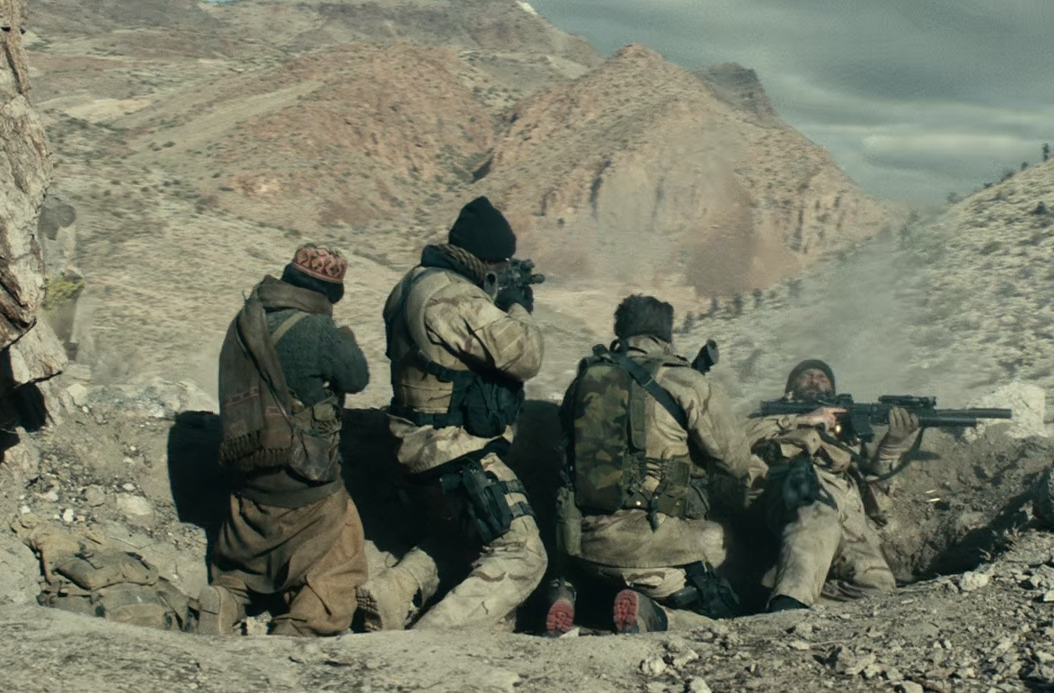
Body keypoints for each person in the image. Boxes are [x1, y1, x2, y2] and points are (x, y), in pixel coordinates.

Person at [356, 196, 546, 631]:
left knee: (459, 536)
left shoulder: (413, 283)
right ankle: (429, 642)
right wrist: (517, 305)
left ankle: (393, 592)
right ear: (488, 259)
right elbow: (526, 355)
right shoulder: (452, 295)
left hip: (415, 442)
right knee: (523, 553)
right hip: (454, 450)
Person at [546, 295, 754, 635]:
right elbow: (736, 462)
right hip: (652, 548)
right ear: (668, 336)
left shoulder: (584, 380)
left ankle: (567, 593)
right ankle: (656, 614)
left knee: (603, 575)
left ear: (621, 332)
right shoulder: (685, 381)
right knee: (723, 606)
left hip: (581, 545)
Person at [199, 244, 370, 637]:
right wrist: (343, 339)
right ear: (331, 293)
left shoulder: (247, 319)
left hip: (248, 472)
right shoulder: (320, 332)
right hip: (304, 479)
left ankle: (227, 597)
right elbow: (357, 378)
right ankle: (302, 625)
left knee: (243, 560)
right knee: (342, 551)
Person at [745, 360, 917, 611]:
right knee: (817, 518)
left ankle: (775, 600)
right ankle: (787, 608)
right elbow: (738, 439)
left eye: (822, 377)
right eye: (807, 375)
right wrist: (803, 420)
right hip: (793, 500)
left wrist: (891, 447)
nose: (815, 380)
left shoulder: (848, 433)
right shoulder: (772, 417)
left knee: (877, 583)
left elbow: (876, 499)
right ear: (790, 388)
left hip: (845, 523)